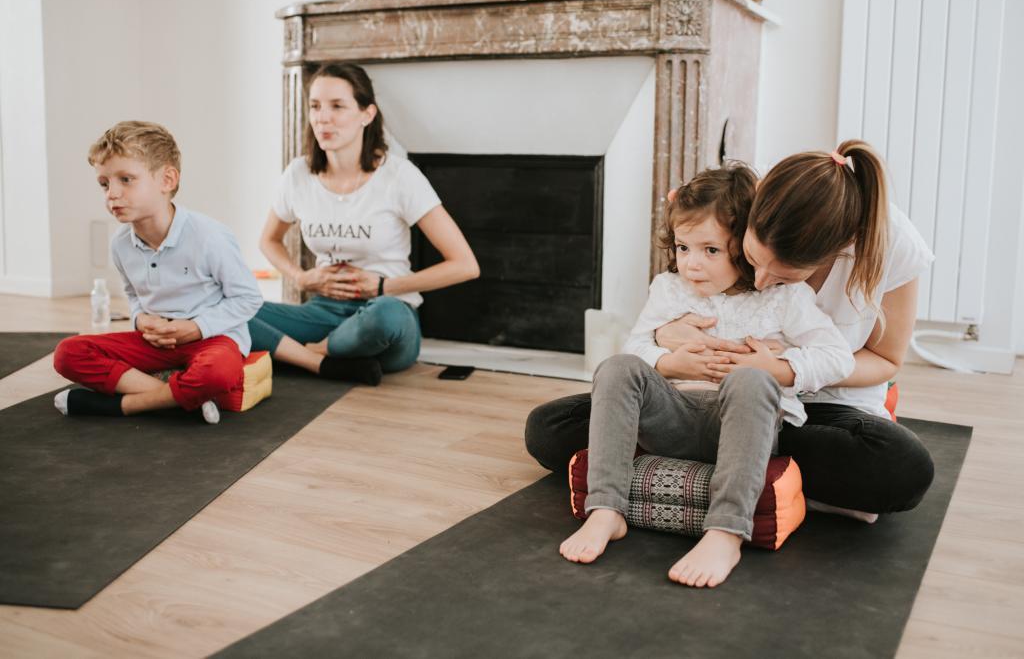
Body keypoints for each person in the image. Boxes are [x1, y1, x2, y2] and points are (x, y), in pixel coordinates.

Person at [529, 140, 935, 523]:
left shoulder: (886, 249)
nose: (759, 282)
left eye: (783, 275)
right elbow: (644, 345)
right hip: (693, 406)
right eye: (751, 258)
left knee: (901, 468)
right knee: (549, 428)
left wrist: (779, 370)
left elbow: (879, 359)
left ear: (836, 251)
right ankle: (754, 476)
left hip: (806, 411)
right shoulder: (746, 211)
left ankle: (700, 469)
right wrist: (668, 340)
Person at [558, 164, 854, 588]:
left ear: (745, 244)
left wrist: (776, 366)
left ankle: (725, 532)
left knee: (750, 382)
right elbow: (637, 347)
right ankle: (606, 510)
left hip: (740, 427)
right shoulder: (668, 287)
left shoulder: (783, 297)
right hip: (674, 418)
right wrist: (669, 362)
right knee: (616, 367)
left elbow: (837, 358)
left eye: (710, 250)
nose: (692, 265)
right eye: (683, 248)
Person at [249, 63, 479, 385]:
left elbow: (465, 265)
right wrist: (301, 277)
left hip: (387, 316)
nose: (322, 117)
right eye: (315, 106)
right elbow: (268, 241)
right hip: (324, 311)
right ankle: (330, 362)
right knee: (232, 308)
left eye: (337, 106)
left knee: (383, 315)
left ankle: (311, 354)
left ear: (366, 114)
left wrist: (384, 287)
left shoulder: (399, 176)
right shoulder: (298, 174)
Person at [53, 121, 263, 424]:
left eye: (126, 179)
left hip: (212, 339)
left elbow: (247, 298)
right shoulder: (120, 244)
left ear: (167, 179)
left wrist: (195, 327)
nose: (112, 193)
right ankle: (175, 397)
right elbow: (133, 295)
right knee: (68, 353)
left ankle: (121, 407)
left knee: (217, 373)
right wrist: (140, 318)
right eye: (104, 183)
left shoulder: (209, 236)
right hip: (154, 342)